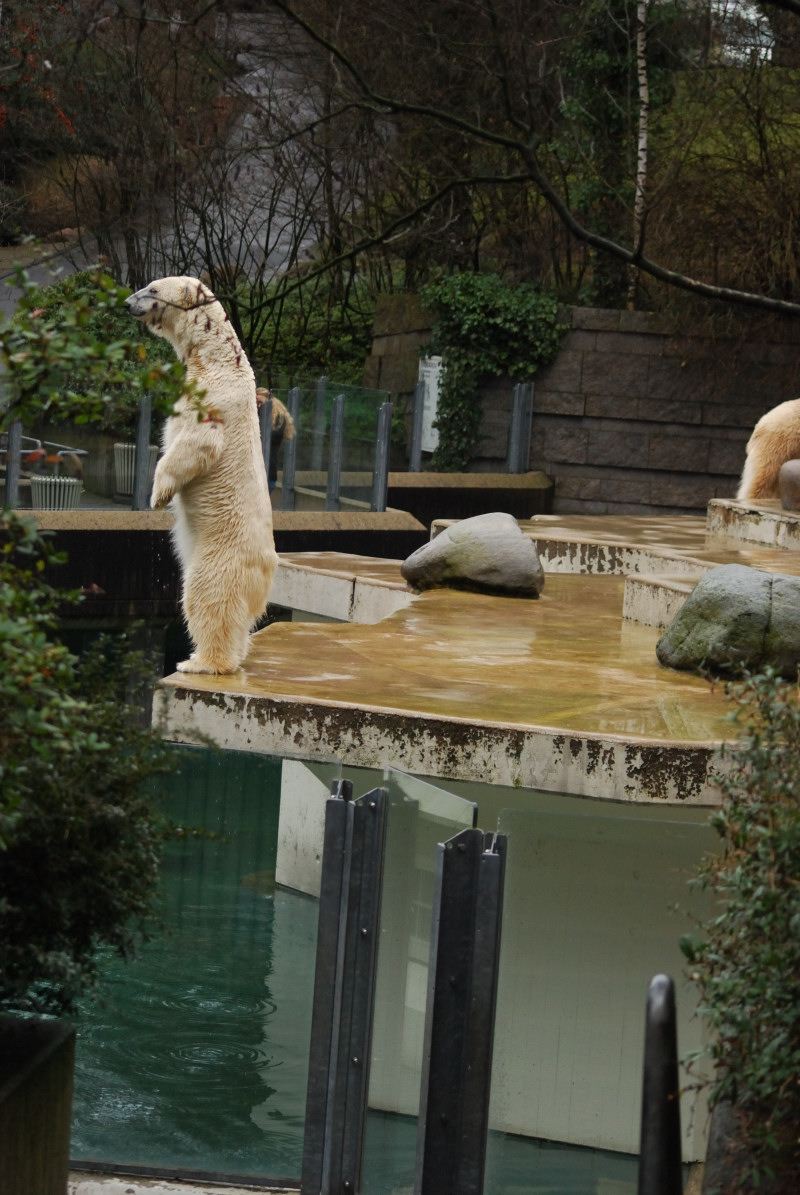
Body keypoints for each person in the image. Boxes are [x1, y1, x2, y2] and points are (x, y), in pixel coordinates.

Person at [256, 387, 295, 493]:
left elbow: (269, 436)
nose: (258, 406)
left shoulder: (279, 420)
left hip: (267, 472)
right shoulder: (257, 416)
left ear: (269, 401)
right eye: (256, 403)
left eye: (260, 403)